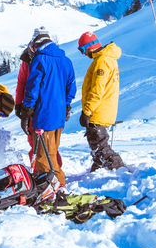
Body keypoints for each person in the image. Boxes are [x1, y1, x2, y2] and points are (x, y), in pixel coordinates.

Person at [17, 28, 76, 187]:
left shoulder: (40, 59)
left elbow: (32, 87)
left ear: (35, 43)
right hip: (59, 116)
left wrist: (27, 108)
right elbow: (71, 87)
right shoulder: (66, 60)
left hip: (43, 116)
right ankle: (54, 186)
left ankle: (55, 187)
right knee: (52, 152)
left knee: (44, 157)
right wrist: (66, 105)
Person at [77, 31, 125, 171]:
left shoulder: (102, 61)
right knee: (97, 147)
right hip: (102, 110)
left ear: (89, 47)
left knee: (100, 147)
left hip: (98, 111)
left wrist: (86, 111)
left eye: (82, 50)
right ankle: (97, 171)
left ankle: (120, 170)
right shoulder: (107, 59)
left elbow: (97, 90)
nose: (83, 54)